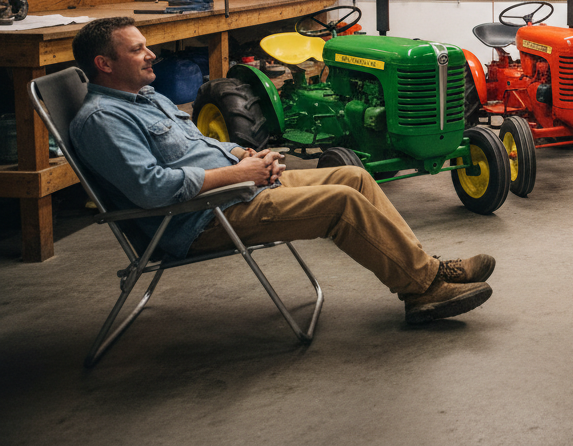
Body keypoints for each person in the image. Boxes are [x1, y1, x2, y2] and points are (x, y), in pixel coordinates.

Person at [68, 16, 493, 326]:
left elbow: (202, 144)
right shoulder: (102, 121)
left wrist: (242, 153)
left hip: (238, 188)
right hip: (201, 218)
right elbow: (151, 189)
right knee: (342, 203)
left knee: (356, 176)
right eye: (137, 49)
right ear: (104, 64)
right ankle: (423, 289)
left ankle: (426, 268)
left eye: (146, 46)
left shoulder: (145, 97)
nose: (151, 54)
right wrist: (240, 175)